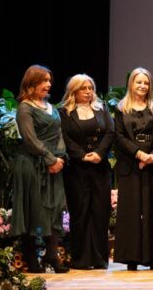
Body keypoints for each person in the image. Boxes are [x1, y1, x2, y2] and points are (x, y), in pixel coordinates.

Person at [10, 65, 70, 273]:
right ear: (31, 84)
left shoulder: (50, 107)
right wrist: (49, 159)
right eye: (44, 81)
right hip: (32, 165)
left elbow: (59, 135)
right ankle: (32, 257)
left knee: (55, 209)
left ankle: (52, 256)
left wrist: (59, 158)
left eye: (49, 80)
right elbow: (30, 139)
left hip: (54, 165)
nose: (48, 84)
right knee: (34, 209)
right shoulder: (25, 108)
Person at [59, 74, 114, 270]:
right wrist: (82, 156)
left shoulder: (101, 108)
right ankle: (81, 259)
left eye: (91, 88)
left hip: (100, 167)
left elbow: (110, 132)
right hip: (77, 169)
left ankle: (99, 259)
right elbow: (64, 137)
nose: (89, 92)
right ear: (73, 91)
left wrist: (99, 153)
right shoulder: (64, 112)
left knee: (100, 212)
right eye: (84, 88)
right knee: (80, 212)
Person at [113, 67, 153, 271]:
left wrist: (152, 154)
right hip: (130, 164)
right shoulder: (121, 108)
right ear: (131, 84)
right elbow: (119, 136)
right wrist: (138, 154)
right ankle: (131, 257)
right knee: (131, 211)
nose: (143, 86)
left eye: (146, 82)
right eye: (139, 82)